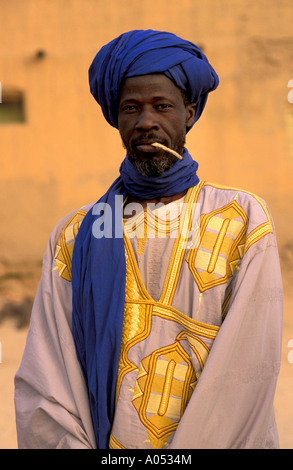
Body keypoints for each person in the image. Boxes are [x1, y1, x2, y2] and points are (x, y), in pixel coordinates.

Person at [14, 29, 283, 450]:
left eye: (162, 106)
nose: (146, 122)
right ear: (116, 118)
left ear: (189, 113)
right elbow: (48, 376)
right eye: (130, 108)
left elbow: (248, 369)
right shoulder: (73, 235)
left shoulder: (242, 220)